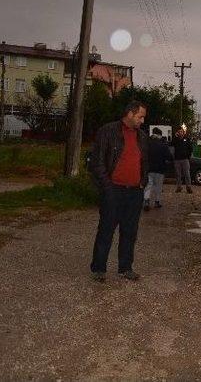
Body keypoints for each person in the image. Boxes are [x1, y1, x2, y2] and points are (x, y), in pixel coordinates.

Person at [88, 101, 149, 282]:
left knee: (130, 232)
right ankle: (99, 269)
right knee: (106, 230)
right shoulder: (108, 131)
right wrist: (108, 187)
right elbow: (97, 162)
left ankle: (125, 268)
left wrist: (142, 183)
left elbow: (144, 163)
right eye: (140, 116)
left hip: (135, 193)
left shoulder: (143, 137)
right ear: (130, 114)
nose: (142, 120)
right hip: (113, 191)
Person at [144, 127, 173, 211]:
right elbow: (169, 157)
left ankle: (146, 201)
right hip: (160, 169)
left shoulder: (147, 143)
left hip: (149, 169)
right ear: (160, 135)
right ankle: (157, 202)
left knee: (148, 186)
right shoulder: (163, 144)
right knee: (158, 186)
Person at [172, 128, 193, 193]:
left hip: (185, 159)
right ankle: (179, 187)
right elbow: (171, 144)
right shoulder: (175, 139)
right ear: (177, 133)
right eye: (179, 132)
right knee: (178, 174)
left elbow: (190, 148)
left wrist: (188, 156)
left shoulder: (187, 139)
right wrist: (175, 137)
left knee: (187, 174)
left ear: (183, 133)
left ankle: (188, 187)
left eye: (181, 132)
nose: (180, 133)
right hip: (177, 160)